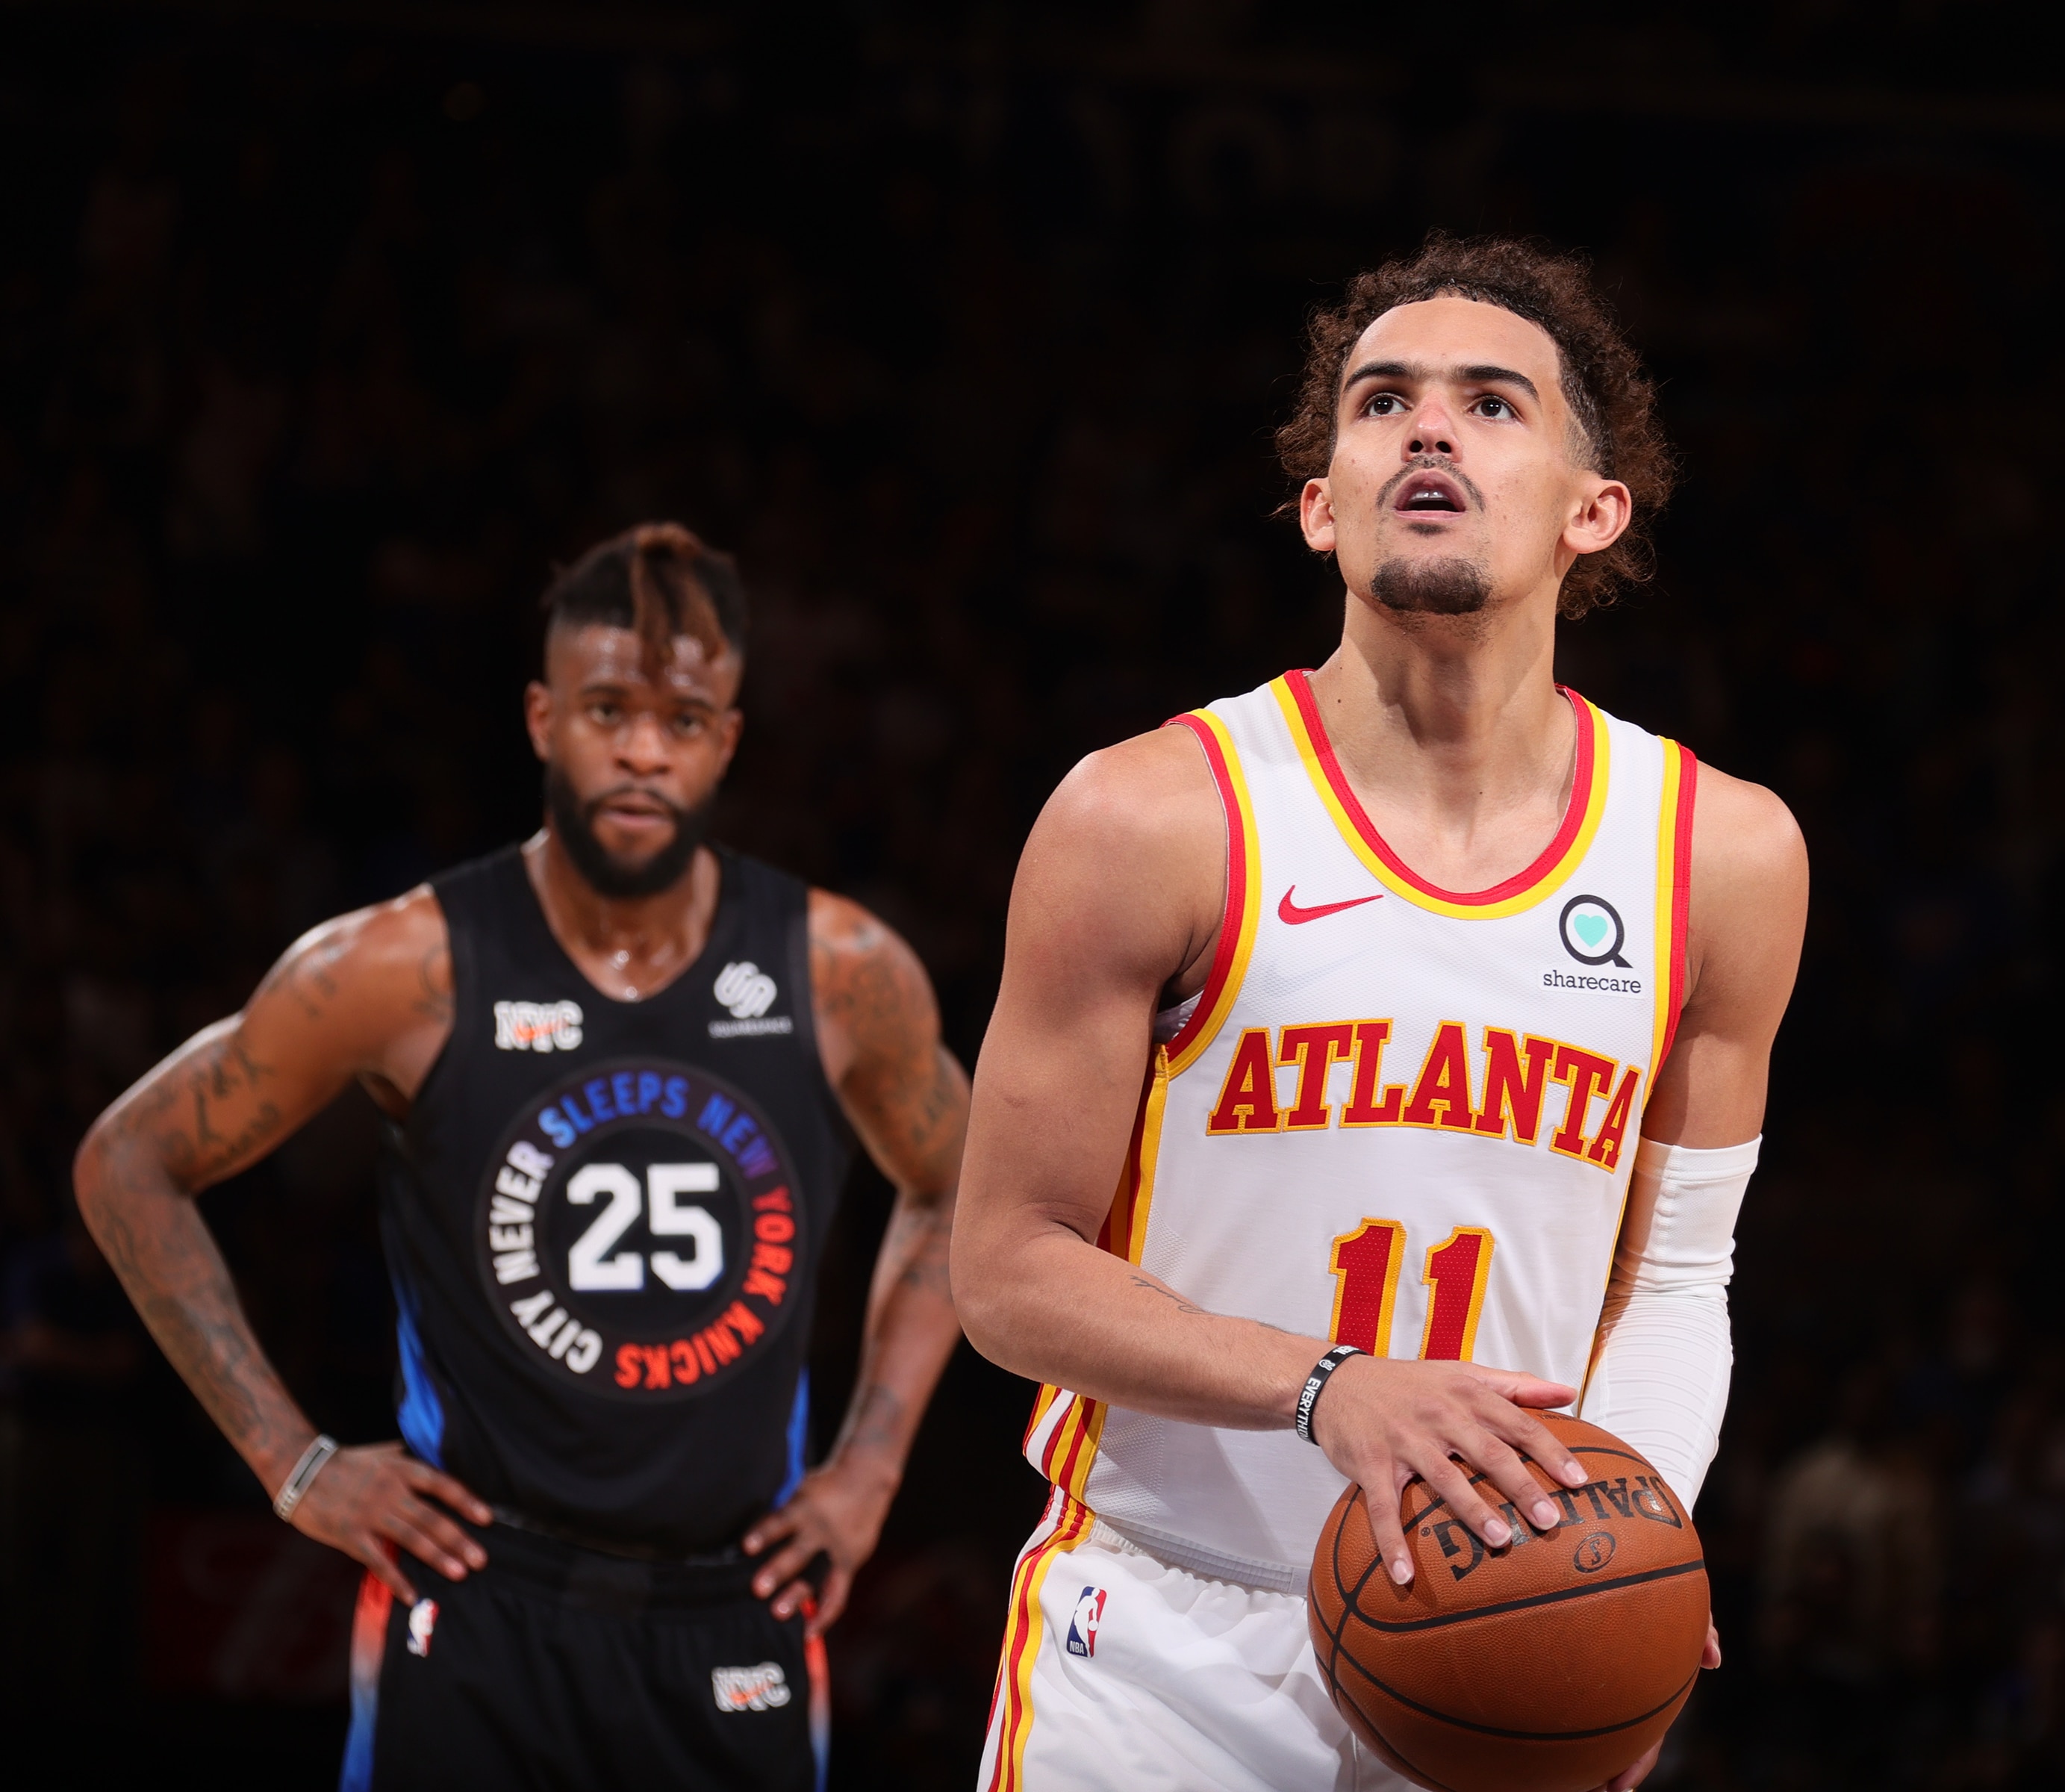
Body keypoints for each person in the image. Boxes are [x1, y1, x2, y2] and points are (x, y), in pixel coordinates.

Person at [952, 236, 1808, 1791]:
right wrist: (1329, 1390)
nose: (1429, 428)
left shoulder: (1721, 857)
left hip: (1501, 1616)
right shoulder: (1151, 817)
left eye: (1493, 405)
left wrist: (1629, 1544)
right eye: (1382, 403)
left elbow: (1678, 1276)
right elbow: (1005, 1272)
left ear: (1591, 511)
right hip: (1160, 1649)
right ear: (1320, 503)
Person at [75, 524, 968, 1792]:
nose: (644, 748)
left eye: (683, 716)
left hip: (737, 1609)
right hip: (478, 1604)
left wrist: (873, 1466)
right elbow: (127, 1162)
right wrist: (293, 1463)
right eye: (609, 708)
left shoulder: (841, 973)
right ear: (544, 718)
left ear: (728, 740)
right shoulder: (399, 966)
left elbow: (960, 1183)